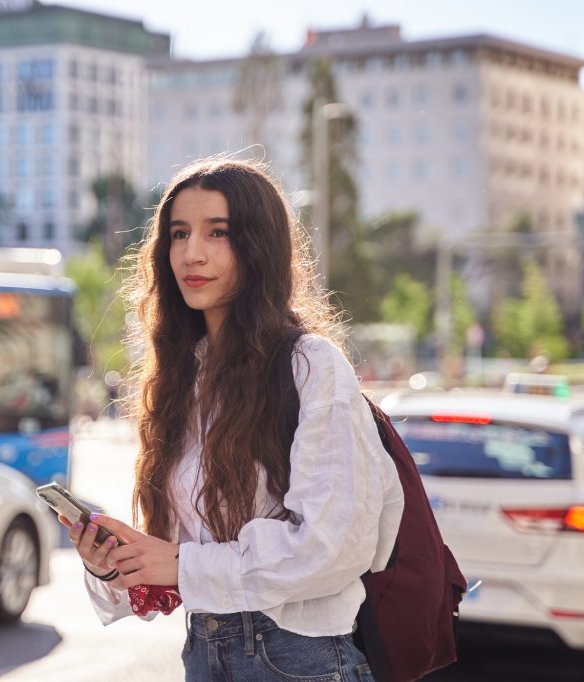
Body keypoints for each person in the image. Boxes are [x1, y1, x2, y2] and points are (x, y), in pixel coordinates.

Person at [61, 157, 405, 681]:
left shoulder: (309, 364)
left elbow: (334, 546)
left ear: (258, 246)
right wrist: (112, 564)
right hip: (204, 654)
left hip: (298, 660)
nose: (191, 253)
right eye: (179, 233)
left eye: (217, 232)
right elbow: (179, 563)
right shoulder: (183, 376)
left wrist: (180, 564)